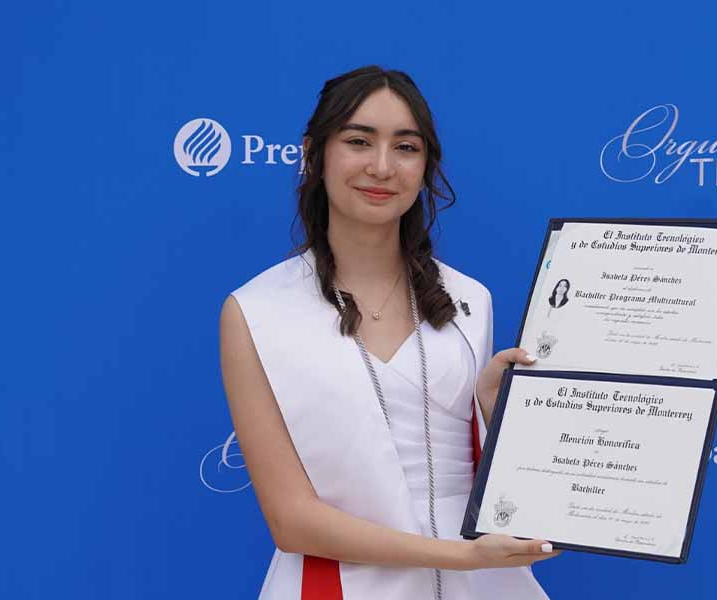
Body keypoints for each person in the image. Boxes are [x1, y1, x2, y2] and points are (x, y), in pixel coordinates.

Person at [219, 66, 560, 600]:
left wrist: (495, 411)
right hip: (348, 584)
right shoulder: (257, 311)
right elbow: (291, 521)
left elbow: (488, 473)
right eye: (358, 141)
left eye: (406, 147)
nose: (382, 167)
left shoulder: (471, 299)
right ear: (314, 154)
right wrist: (461, 556)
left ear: (426, 167)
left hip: (486, 583)